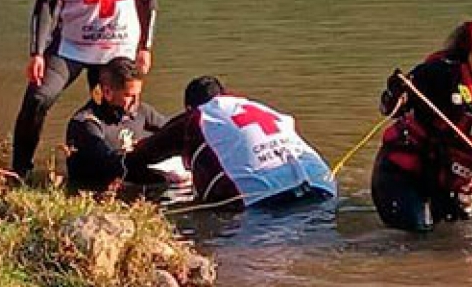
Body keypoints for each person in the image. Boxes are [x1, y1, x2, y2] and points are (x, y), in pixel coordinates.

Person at [11, 0, 158, 180]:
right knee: (38, 98)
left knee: (116, 109)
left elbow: (148, 1)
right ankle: (20, 169)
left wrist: (145, 47)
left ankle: (114, 173)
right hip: (72, 47)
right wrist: (37, 52)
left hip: (117, 48)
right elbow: (45, 7)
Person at [372, 13, 472, 232]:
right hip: (403, 176)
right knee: (416, 236)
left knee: (462, 241)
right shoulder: (438, 74)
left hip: (453, 187)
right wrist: (395, 92)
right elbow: (389, 109)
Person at [125, 76, 337, 209]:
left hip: (260, 198)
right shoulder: (256, 106)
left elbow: (141, 157)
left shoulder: (198, 117)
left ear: (189, 109)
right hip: (321, 185)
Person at [64, 56, 184, 193]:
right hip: (102, 193)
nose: (136, 101)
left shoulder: (141, 111)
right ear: (107, 92)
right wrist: (146, 150)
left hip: (137, 178)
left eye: (138, 94)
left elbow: (174, 131)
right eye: (129, 95)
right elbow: (108, 164)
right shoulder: (86, 124)